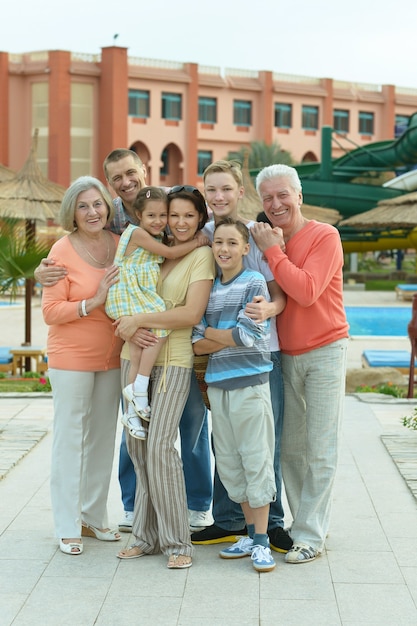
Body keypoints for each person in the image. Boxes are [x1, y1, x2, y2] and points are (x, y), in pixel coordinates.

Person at [34, 149, 214, 533]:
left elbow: (214, 230)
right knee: (130, 429)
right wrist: (46, 275)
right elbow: (67, 267)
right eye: (117, 178)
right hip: (118, 340)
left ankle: (196, 503)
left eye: (131, 173)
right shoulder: (113, 217)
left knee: (189, 421)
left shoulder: (170, 203)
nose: (126, 182)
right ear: (111, 183)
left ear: (144, 171)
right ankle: (126, 506)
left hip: (154, 338)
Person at [188, 160, 293, 554]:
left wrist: (270, 310)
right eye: (211, 190)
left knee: (267, 443)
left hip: (263, 354)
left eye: (226, 189)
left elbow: (277, 293)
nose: (218, 197)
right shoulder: (203, 238)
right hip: (220, 364)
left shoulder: (255, 235)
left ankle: (272, 525)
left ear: (239, 192)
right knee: (227, 445)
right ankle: (232, 522)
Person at [251, 163, 349, 563]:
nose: (276, 204)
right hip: (285, 356)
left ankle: (309, 535)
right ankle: (302, 522)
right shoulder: (262, 241)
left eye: (283, 195)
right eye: (268, 198)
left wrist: (272, 249)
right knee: (290, 449)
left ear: (299, 195)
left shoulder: (325, 235)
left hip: (325, 350)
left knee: (321, 447)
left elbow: (306, 292)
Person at [115, 186, 215, 569]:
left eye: (189, 215)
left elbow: (190, 315)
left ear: (200, 218)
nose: (180, 222)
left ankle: (178, 542)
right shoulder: (150, 249)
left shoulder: (201, 256)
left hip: (173, 359)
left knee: (159, 446)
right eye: (174, 215)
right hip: (134, 355)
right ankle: (144, 535)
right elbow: (126, 294)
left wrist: (139, 320)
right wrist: (125, 326)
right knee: (137, 448)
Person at [42, 176, 124, 555]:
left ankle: (93, 517)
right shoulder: (60, 251)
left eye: (97, 204)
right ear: (72, 213)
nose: (93, 212)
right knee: (70, 438)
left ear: (108, 207)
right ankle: (66, 525)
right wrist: (93, 302)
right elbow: (51, 312)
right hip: (71, 357)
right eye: (83, 206)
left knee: (103, 437)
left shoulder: (119, 244)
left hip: (112, 356)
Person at [193, 218, 276, 572]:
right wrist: (220, 334)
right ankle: (247, 533)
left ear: (245, 248)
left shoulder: (254, 282)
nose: (223, 249)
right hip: (218, 386)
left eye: (231, 243)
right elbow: (195, 344)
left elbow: (248, 336)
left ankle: (262, 542)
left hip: (250, 385)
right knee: (229, 463)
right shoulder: (207, 287)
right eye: (218, 243)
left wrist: (213, 332)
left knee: (256, 459)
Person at [105, 185, 209, 439]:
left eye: (164, 215)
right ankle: (140, 386)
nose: (160, 221)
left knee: (139, 347)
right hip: (127, 295)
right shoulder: (138, 234)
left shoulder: (154, 237)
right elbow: (170, 253)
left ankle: (131, 408)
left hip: (130, 297)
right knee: (161, 322)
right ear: (138, 216)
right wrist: (197, 241)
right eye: (153, 216)